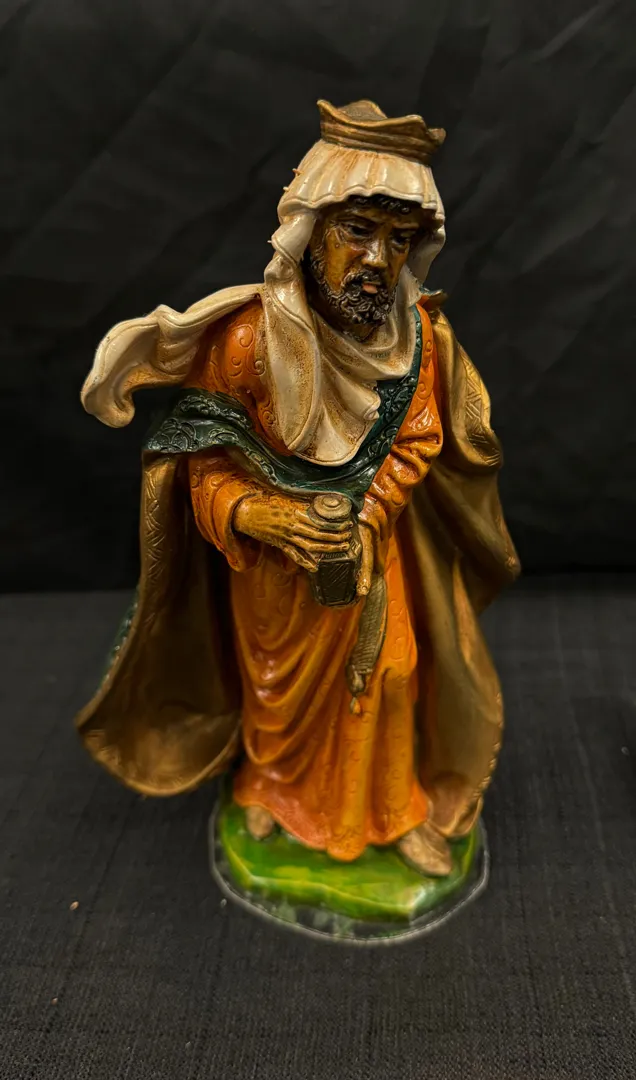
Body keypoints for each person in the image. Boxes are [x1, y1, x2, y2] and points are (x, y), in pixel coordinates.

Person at [78, 100, 519, 879]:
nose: (378, 258)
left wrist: (369, 518)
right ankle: (271, 789)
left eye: (399, 238)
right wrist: (262, 515)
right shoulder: (248, 342)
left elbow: (419, 440)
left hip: (369, 553)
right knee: (274, 692)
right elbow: (200, 466)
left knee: (392, 675)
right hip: (273, 575)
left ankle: (395, 812)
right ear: (311, 231)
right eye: (359, 230)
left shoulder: (418, 343)